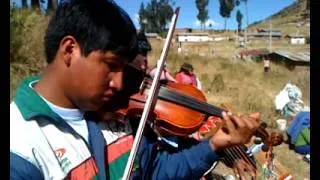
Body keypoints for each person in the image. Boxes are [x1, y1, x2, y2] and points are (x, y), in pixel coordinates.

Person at [10, 0, 260, 179]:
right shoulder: (21, 149)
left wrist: (216, 144)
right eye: (111, 65)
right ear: (69, 50)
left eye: (125, 70)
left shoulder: (117, 114)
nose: (120, 84)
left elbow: (156, 171)